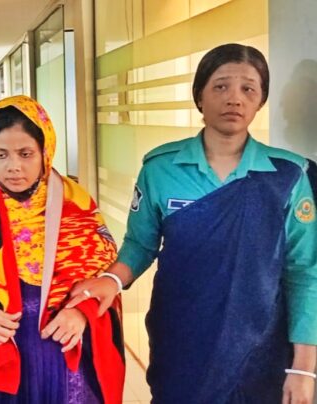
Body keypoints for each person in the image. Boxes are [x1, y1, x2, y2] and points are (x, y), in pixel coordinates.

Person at [69, 43, 317, 404]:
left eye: (248, 88)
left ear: (261, 100)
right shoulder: (160, 169)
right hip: (181, 338)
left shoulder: (288, 176)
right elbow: (140, 244)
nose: (234, 98)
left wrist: (304, 368)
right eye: (221, 86)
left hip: (261, 348)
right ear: (199, 95)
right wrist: (111, 280)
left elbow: (304, 273)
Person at [0, 95, 125, 404]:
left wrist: (82, 313)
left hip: (64, 354)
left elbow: (105, 280)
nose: (13, 167)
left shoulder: (76, 206)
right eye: (1, 154)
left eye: (26, 153)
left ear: (45, 151)